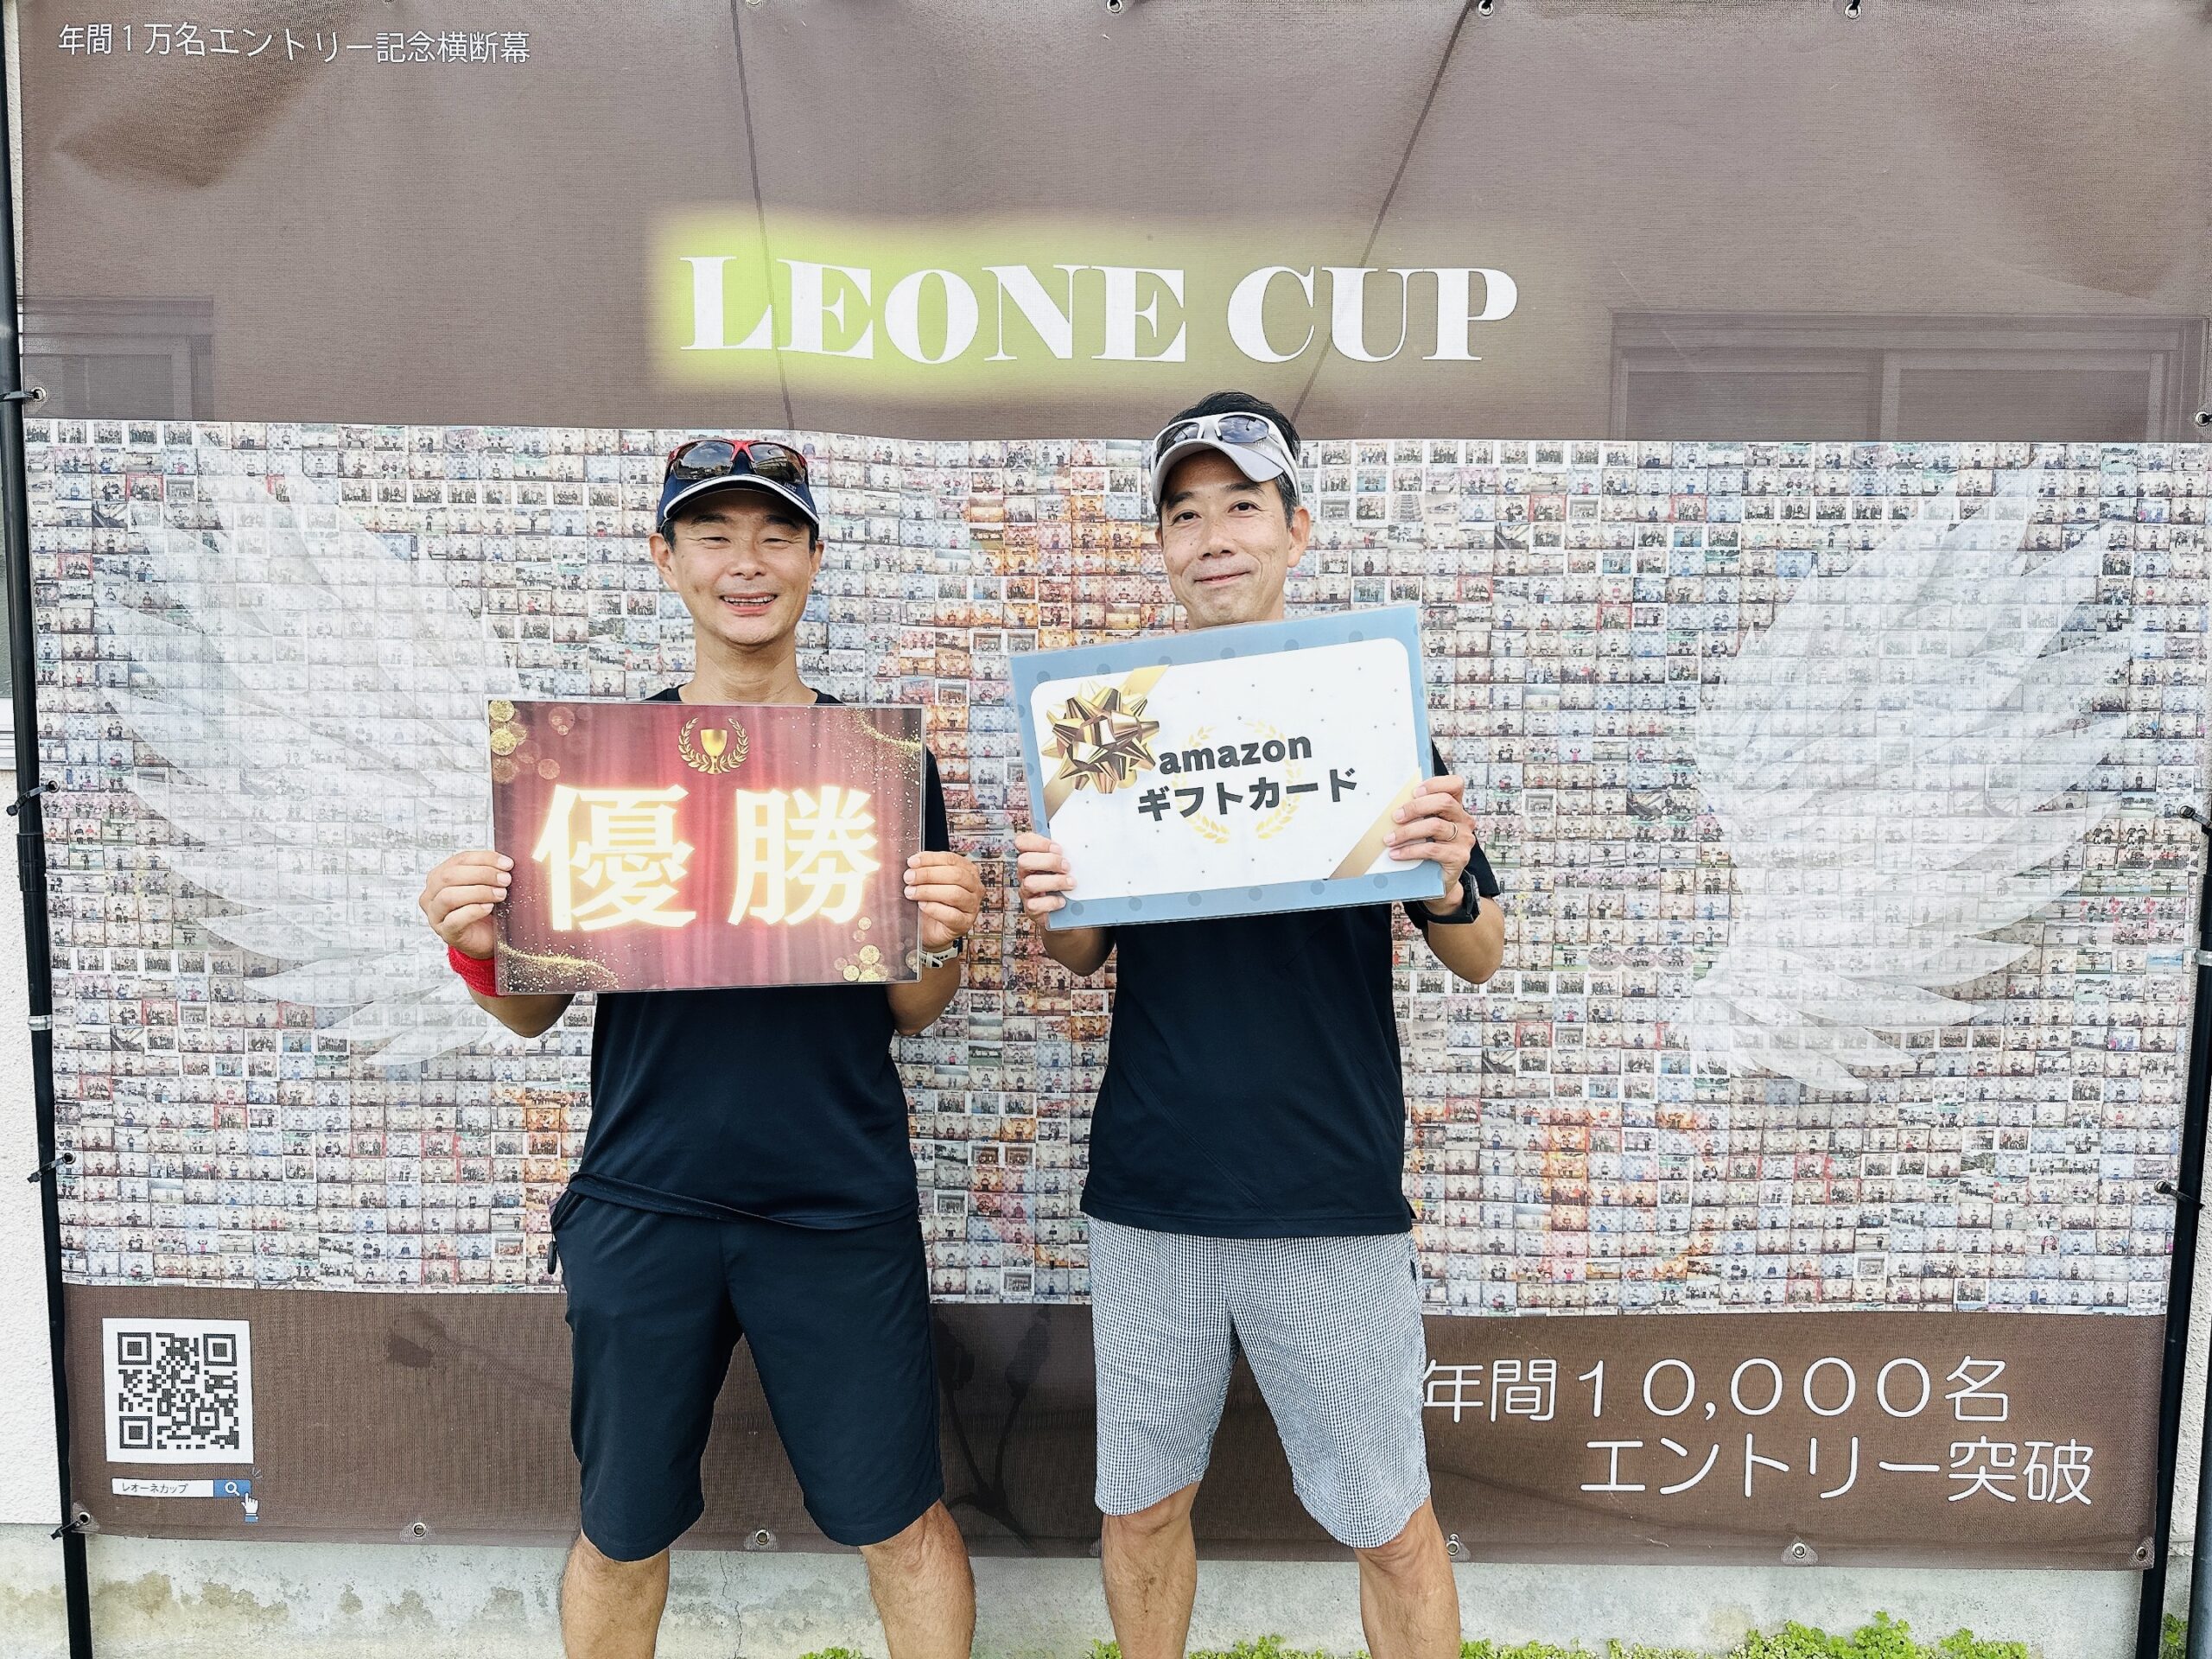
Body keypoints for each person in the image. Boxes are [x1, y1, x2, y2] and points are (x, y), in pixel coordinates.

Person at [419, 437, 983, 1659]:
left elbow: (913, 1010)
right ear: (665, 558)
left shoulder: (881, 764)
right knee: (620, 1530)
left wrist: (942, 939)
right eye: (714, 534)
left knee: (901, 1521)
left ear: (815, 558)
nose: (747, 562)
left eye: (776, 533)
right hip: (645, 1197)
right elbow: (532, 1012)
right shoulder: (594, 767)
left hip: (838, 1201)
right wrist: (476, 946)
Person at [1014, 392, 1505, 1659]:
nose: (1214, 536)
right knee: (1140, 1508)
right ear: (1161, 547)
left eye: (1242, 505)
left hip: (1328, 1183)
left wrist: (1447, 876)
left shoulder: (1369, 711)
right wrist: (1055, 899)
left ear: (1297, 529)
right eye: (1185, 514)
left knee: (1389, 1520)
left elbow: (1481, 953)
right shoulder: (1110, 727)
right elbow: (1080, 955)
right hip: (1152, 1186)